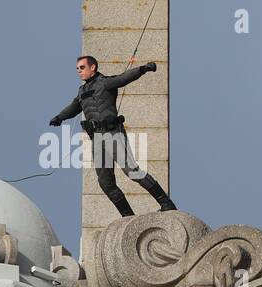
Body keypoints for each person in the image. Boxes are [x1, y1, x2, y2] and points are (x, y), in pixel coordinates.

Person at [49, 55, 177, 217]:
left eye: (82, 68)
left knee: (132, 171)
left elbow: (124, 78)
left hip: (112, 133)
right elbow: (74, 107)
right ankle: (128, 216)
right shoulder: (82, 91)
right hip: (97, 139)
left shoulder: (105, 82)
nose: (78, 71)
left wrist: (143, 69)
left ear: (93, 67)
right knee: (105, 183)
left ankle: (166, 202)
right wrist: (59, 117)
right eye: (77, 69)